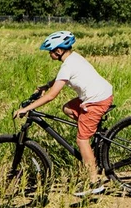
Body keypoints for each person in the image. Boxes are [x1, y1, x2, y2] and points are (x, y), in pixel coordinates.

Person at [13, 31, 114, 197]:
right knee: (67, 108)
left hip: (96, 101)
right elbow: (60, 79)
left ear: (59, 51)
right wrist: (46, 85)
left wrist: (27, 108)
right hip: (101, 94)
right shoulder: (73, 58)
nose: (49, 54)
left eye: (50, 51)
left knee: (82, 140)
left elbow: (52, 96)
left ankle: (94, 181)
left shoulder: (68, 65)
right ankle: (92, 141)